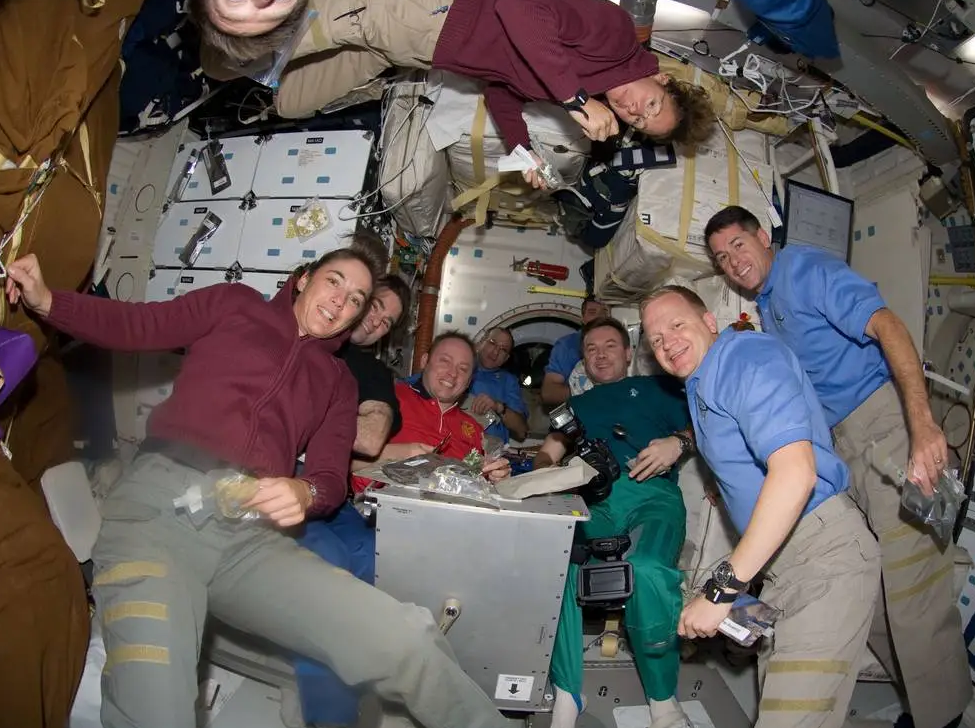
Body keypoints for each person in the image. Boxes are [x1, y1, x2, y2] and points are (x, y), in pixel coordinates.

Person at [4, 251, 511, 728]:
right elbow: (139, 324)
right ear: (304, 279)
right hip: (155, 522)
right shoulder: (235, 305)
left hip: (250, 540)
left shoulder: (338, 382)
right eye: (335, 282)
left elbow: (331, 478)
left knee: (408, 638)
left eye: (356, 300)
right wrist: (49, 301)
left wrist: (305, 492)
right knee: (156, 712)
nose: (342, 301)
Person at [704, 205, 971, 728]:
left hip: (884, 428)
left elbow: (888, 326)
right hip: (842, 447)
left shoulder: (805, 271)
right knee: (864, 585)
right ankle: (925, 704)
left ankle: (946, 718)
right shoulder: (769, 308)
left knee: (911, 587)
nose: (732, 262)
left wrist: (921, 425)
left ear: (763, 236)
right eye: (720, 258)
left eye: (738, 245)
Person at [641, 285, 882, 728]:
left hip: (823, 554)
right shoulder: (700, 386)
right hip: (781, 563)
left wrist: (721, 590)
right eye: (655, 340)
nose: (667, 342)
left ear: (710, 322)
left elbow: (795, 474)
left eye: (676, 325)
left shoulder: (744, 357)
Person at [188, 0, 716, 182]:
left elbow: (501, 89)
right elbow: (519, 9)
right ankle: (201, 28)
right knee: (231, 54)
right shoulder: (615, 37)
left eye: (640, 123)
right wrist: (575, 99)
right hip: (437, 14)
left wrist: (520, 150)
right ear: (663, 78)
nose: (632, 112)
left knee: (291, 100)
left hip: (419, 53)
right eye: (650, 105)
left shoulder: (591, 90)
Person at [533, 317, 694, 728]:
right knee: (557, 569)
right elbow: (548, 450)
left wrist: (678, 443)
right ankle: (568, 693)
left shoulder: (657, 389)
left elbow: (703, 423)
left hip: (651, 494)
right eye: (591, 349)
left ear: (628, 354)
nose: (600, 354)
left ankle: (662, 699)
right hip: (594, 500)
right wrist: (545, 476)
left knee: (647, 569)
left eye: (610, 346)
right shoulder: (575, 408)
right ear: (583, 361)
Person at [292, 272, 412, 728]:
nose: (377, 322)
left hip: (331, 490)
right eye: (375, 307)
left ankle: (348, 685)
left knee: (378, 558)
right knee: (326, 575)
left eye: (388, 322)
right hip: (283, 481)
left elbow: (369, 437)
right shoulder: (303, 338)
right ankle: (328, 714)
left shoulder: (372, 371)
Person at [354, 331, 512, 492]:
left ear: (469, 382)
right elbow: (341, 458)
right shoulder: (386, 400)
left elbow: (476, 485)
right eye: (445, 361)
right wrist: (400, 454)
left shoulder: (473, 429)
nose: (452, 373)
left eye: (463, 369)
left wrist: (495, 478)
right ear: (424, 361)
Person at [542, 296, 610, 407]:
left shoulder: (620, 344)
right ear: (583, 318)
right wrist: (584, 391)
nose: (599, 317)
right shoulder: (567, 345)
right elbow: (549, 393)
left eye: (605, 312)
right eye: (592, 312)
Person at [468, 327, 529, 444]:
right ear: (480, 343)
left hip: (491, 454)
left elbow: (522, 431)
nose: (495, 352)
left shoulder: (508, 382)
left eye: (503, 350)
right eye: (492, 343)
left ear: (506, 359)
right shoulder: (460, 367)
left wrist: (499, 407)